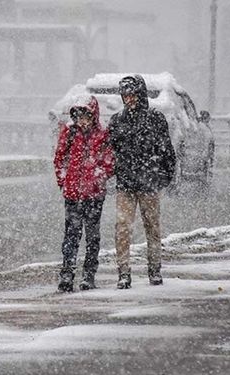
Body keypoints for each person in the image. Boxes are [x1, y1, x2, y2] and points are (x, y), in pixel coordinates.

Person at [108, 75, 176, 288]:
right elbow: (111, 151)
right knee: (122, 227)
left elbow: (166, 151)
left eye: (132, 94)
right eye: (125, 95)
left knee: (152, 227)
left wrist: (163, 178)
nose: (128, 99)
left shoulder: (155, 119)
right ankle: (124, 272)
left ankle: (154, 269)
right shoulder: (117, 120)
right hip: (126, 184)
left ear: (140, 94)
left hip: (148, 183)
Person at [54, 95, 114, 292]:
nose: (82, 121)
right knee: (71, 236)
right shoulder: (70, 133)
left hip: (94, 195)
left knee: (92, 236)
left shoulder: (103, 135)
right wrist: (64, 181)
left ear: (93, 116)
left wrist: (98, 178)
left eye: (86, 116)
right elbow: (60, 159)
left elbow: (109, 161)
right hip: (72, 194)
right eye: (79, 116)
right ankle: (67, 273)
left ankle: (89, 274)